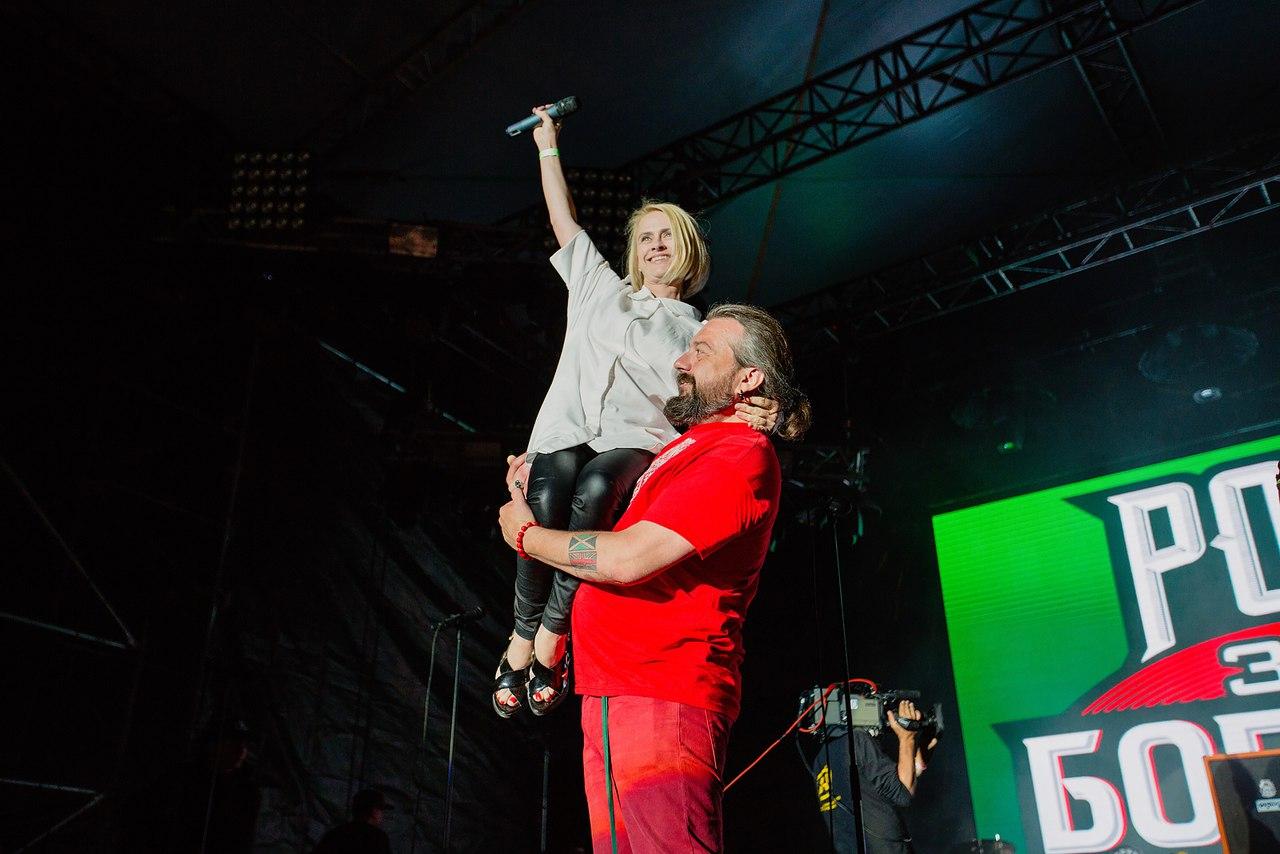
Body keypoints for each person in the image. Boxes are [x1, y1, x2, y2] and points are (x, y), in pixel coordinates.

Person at [492, 105, 778, 718]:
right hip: (566, 427)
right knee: (547, 492)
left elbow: (723, 390)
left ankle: (552, 637)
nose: (654, 245)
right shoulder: (599, 288)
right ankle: (519, 633)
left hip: (633, 441)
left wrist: (759, 410)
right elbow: (562, 217)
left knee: (594, 491)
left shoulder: (699, 332)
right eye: (645, 237)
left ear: (688, 251)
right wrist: (547, 146)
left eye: (666, 236)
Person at [499, 303, 811, 852]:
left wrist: (527, 536)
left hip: (665, 696)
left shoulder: (739, 455)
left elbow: (626, 559)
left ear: (748, 378)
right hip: (611, 691)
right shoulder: (685, 446)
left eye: (701, 351)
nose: (682, 361)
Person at [852, 699, 939, 854]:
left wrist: (923, 743)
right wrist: (907, 737)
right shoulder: (857, 740)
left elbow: (909, 775)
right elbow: (903, 792)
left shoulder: (822, 758)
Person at [312, 788, 393, 854]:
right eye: (381, 810)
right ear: (374, 811)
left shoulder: (335, 834)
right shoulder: (378, 838)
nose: (382, 815)